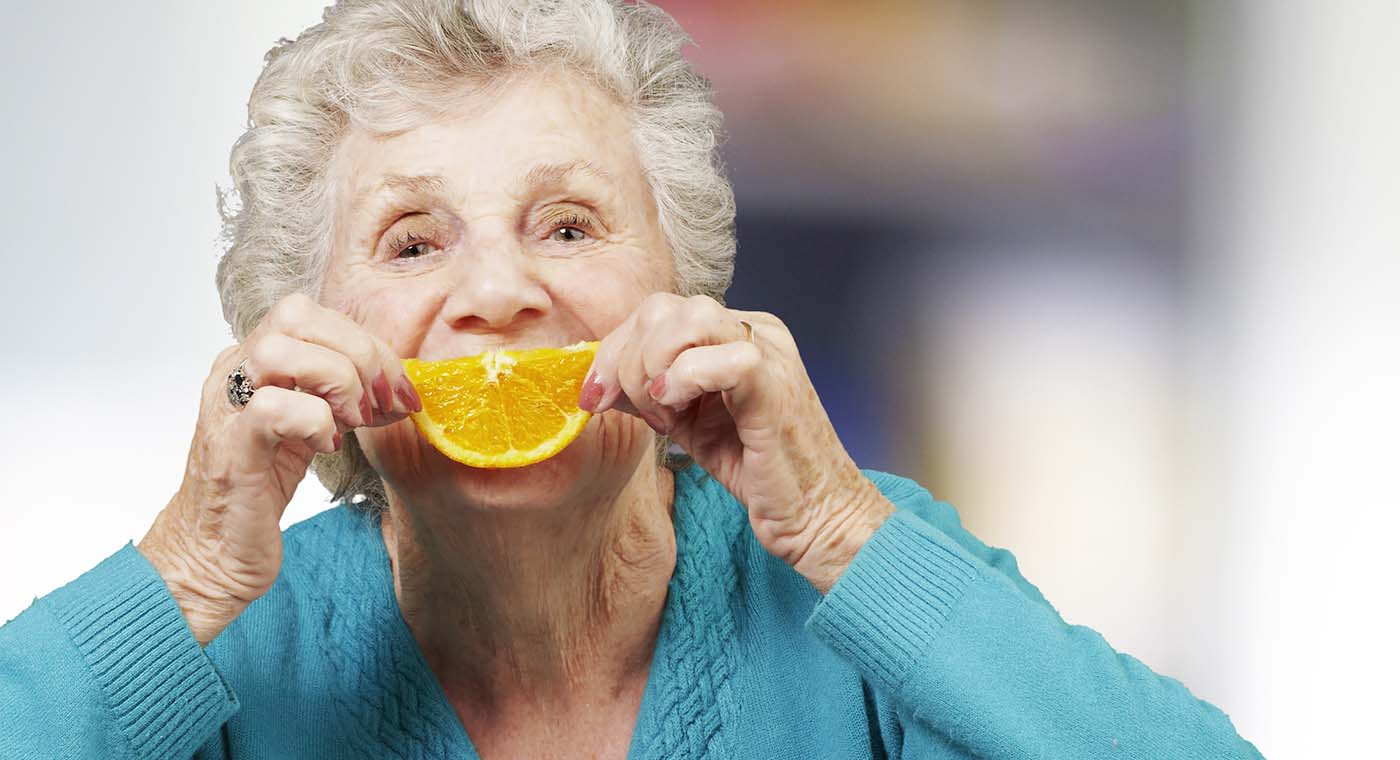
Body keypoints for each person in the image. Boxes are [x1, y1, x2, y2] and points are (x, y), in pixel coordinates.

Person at [0, 1, 1262, 757]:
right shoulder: (227, 646)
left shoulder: (857, 576)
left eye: (566, 224)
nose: (498, 292)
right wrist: (187, 576)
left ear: (682, 288)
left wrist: (834, 525)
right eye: (413, 240)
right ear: (308, 331)